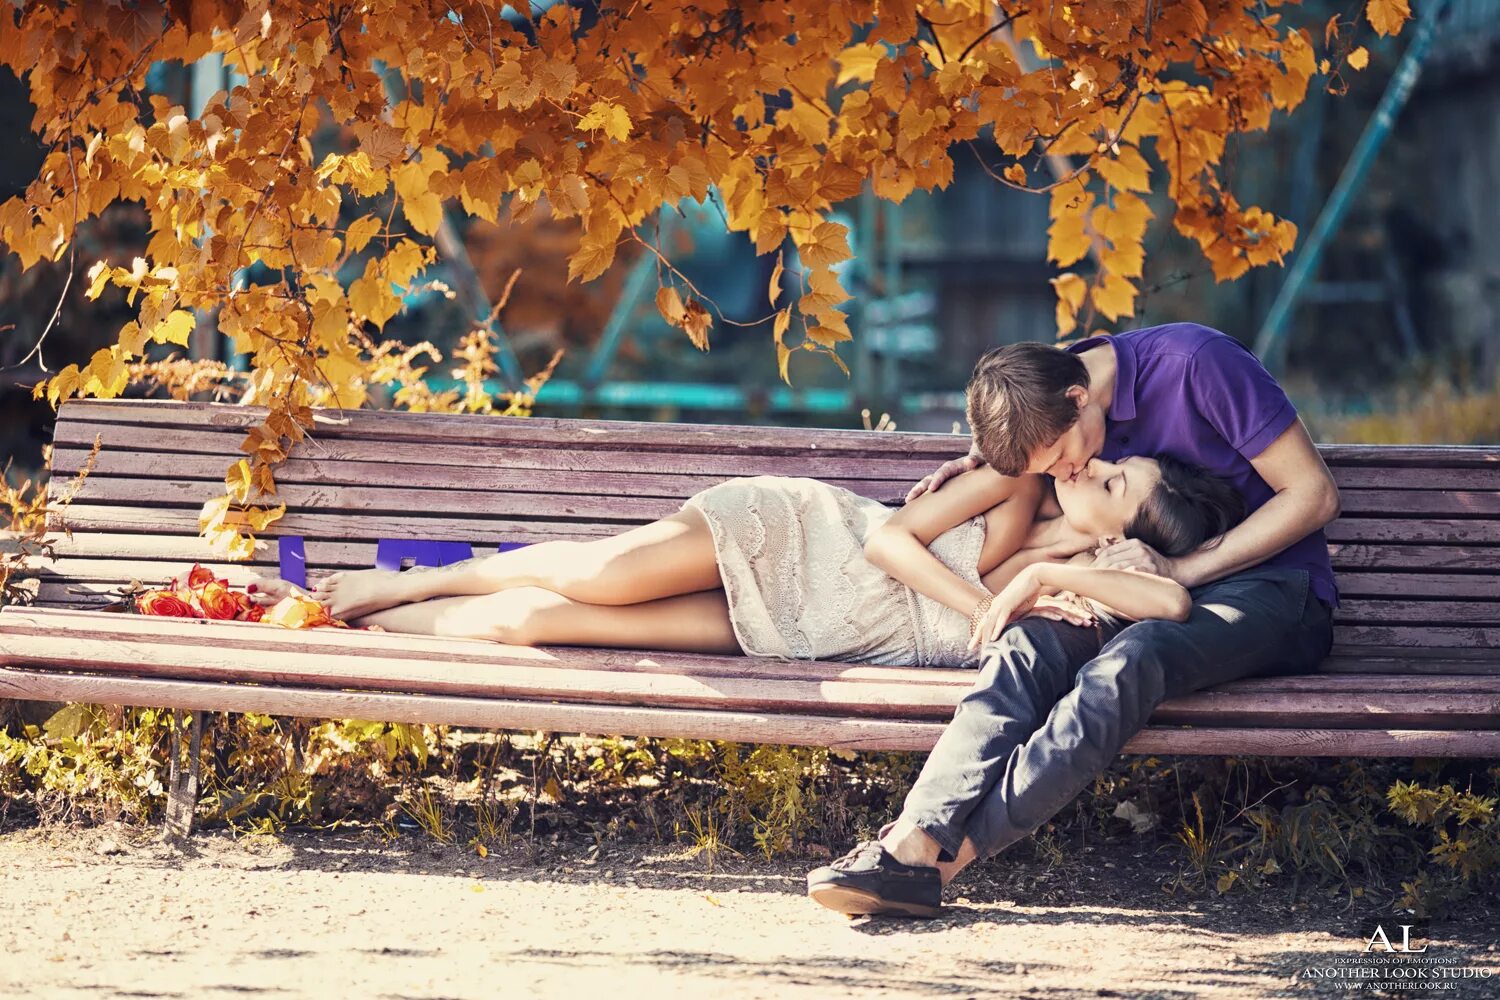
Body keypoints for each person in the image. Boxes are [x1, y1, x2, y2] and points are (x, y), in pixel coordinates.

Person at [805, 323, 1341, 919]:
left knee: (1130, 661)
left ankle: (941, 867)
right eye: (1050, 470)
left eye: (1062, 460)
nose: (1066, 475)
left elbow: (1313, 494)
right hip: (1123, 586)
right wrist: (989, 466)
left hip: (1269, 588)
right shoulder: (1050, 394)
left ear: (1080, 400)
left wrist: (1181, 568)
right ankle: (911, 841)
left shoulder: (1198, 365)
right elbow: (1033, 448)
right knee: (1025, 644)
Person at [243, 362, 1244, 666]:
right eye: (1094, 457)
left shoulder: (1111, 572)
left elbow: (1171, 606)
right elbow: (895, 538)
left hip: (812, 628)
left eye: (1108, 476)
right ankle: (407, 583)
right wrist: (991, 602)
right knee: (596, 572)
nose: (1093, 462)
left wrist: (1041, 577)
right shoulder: (1020, 482)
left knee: (552, 623)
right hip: (802, 535)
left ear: (1122, 526)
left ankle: (357, 619)